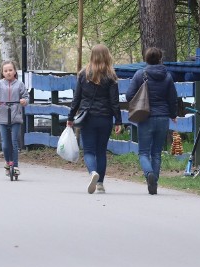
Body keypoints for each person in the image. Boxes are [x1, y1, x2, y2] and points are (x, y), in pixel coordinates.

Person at [67, 44, 122, 194]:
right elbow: (114, 101)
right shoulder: (111, 76)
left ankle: (93, 172)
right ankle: (100, 184)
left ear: (92, 56)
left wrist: (70, 117)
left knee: (89, 151)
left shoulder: (83, 74)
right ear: (107, 56)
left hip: (87, 117)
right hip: (105, 118)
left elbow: (76, 98)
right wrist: (118, 121)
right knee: (101, 151)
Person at [125, 47, 178, 195]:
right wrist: (173, 114)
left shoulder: (139, 74)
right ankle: (154, 182)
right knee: (156, 153)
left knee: (143, 152)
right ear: (160, 58)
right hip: (162, 117)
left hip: (145, 117)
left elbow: (129, 96)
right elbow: (173, 98)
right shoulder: (167, 76)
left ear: (146, 58)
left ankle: (149, 174)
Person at [0, 60, 28, 177]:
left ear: (15, 71)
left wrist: (24, 101)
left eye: (10, 70)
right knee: (5, 143)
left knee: (14, 142)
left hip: (15, 116)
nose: (8, 73)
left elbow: (26, 96)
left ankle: (15, 166)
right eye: (6, 71)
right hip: (3, 117)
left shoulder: (19, 84)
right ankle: (8, 162)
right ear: (2, 72)